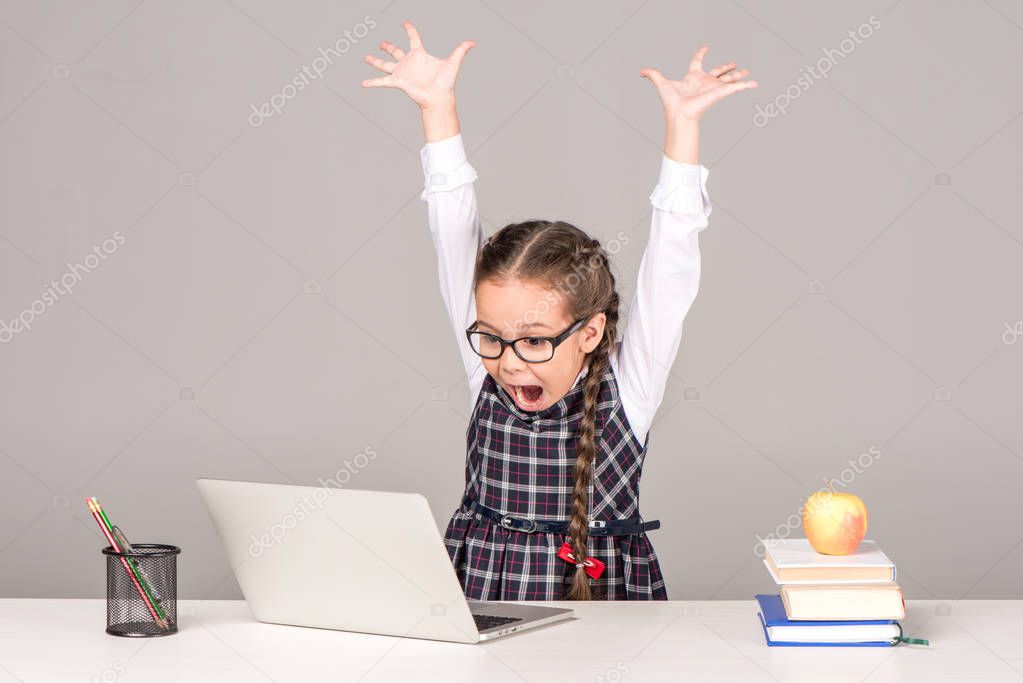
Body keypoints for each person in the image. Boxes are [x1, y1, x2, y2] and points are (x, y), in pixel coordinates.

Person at [363, 21, 757, 600]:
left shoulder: (632, 383)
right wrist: (437, 109)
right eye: (492, 337)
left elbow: (672, 261)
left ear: (591, 331)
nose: (511, 362)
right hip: (484, 586)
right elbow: (452, 229)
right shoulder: (487, 366)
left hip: (601, 598)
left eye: (535, 341)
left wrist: (685, 127)